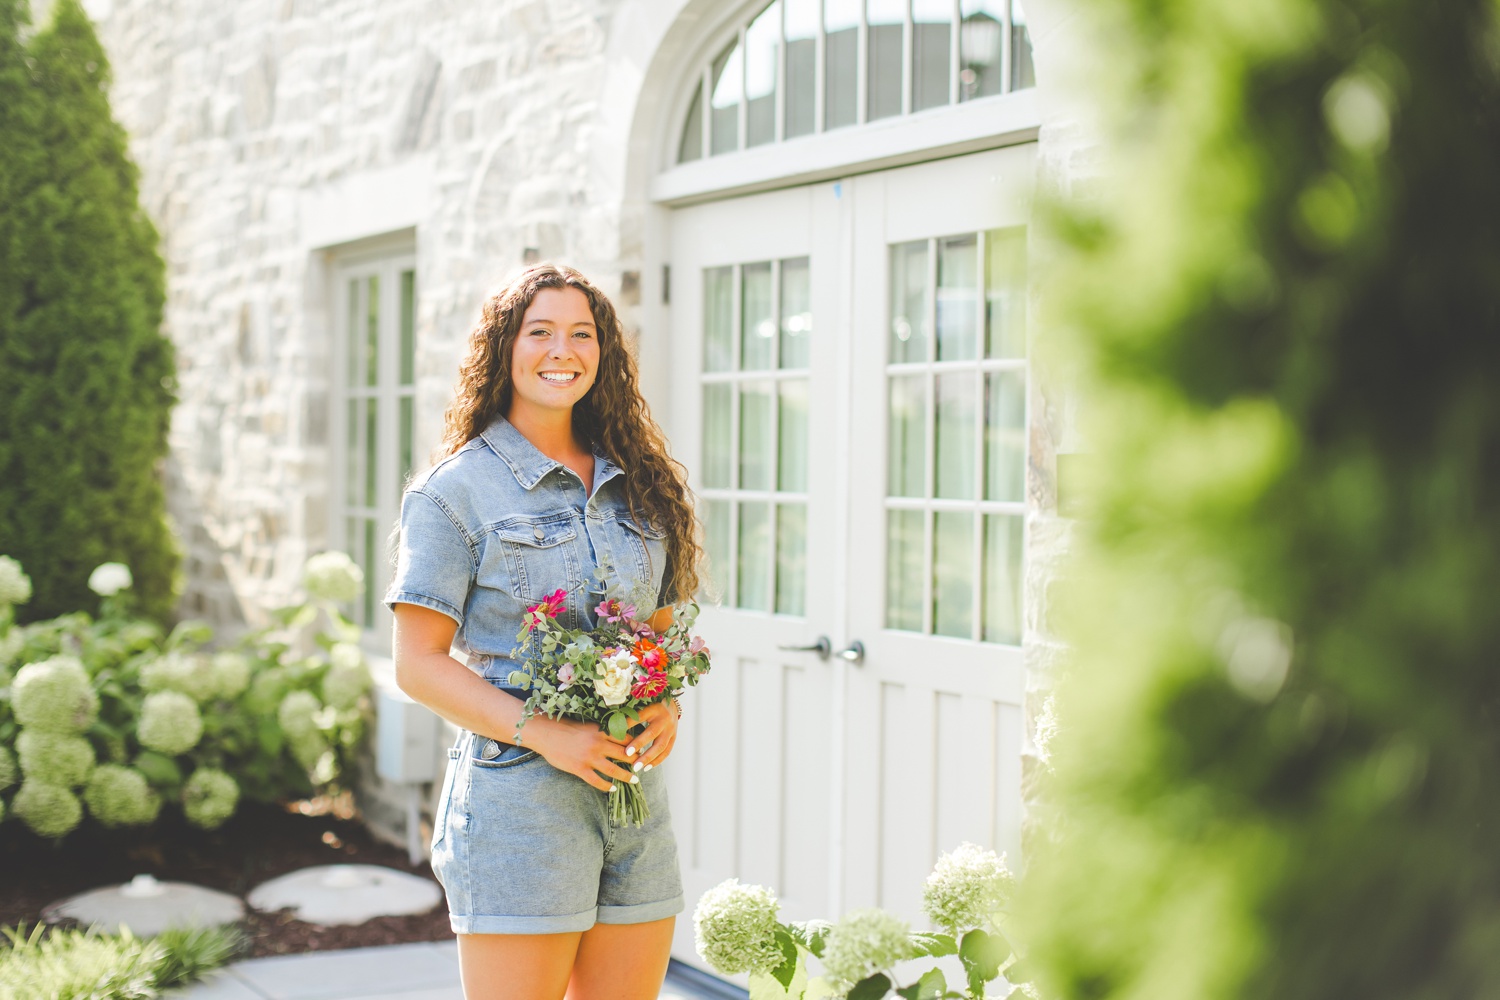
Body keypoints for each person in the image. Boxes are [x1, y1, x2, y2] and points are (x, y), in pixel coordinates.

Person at [384, 264, 702, 999]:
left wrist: (665, 704)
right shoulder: (453, 493)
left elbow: (657, 629)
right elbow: (419, 665)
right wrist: (548, 733)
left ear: (604, 353)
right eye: (541, 332)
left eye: (582, 334)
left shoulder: (640, 483)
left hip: (633, 802)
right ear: (505, 349)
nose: (564, 349)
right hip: (518, 805)